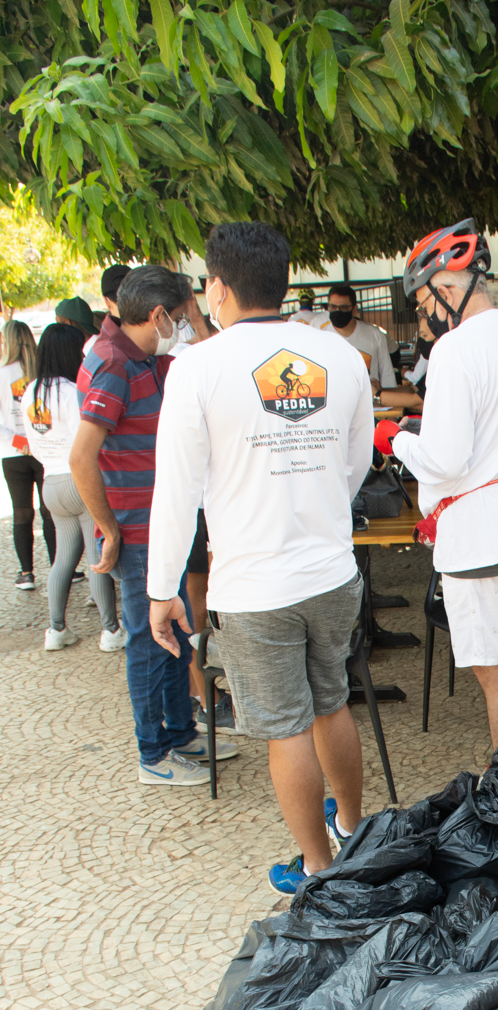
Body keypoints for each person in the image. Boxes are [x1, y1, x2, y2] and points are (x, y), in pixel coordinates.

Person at [147, 221, 374, 892]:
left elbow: (176, 492)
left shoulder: (198, 367)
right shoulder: (338, 355)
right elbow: (354, 463)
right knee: (332, 704)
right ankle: (355, 831)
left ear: (217, 288)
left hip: (253, 584)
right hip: (332, 570)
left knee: (285, 728)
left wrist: (162, 589)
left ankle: (316, 867)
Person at [380, 218, 498, 750]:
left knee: (493, 671)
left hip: (480, 535)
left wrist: (393, 439)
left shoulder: (456, 348)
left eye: (425, 304)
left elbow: (444, 460)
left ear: (448, 288)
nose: (425, 318)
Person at [70, 264, 223, 788]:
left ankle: (181, 733)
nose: (185, 326)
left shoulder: (145, 358)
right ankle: (153, 752)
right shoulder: (115, 363)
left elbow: (208, 352)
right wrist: (107, 527)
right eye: (180, 318)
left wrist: (198, 318)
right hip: (136, 532)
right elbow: (80, 456)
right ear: (158, 315)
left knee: (175, 631)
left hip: (162, 527)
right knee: (148, 640)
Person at [24, 324, 126, 652]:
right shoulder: (70, 391)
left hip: (50, 483)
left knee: (63, 559)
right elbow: (83, 444)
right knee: (97, 554)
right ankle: (111, 630)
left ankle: (56, 629)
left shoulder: (30, 393)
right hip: (77, 481)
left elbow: (32, 441)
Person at [0, 320, 55, 590]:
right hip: (44, 449)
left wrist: (20, 441)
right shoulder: (41, 372)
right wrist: (33, 440)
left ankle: (26, 573)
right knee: (49, 512)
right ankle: (61, 569)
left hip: (13, 454)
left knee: (22, 513)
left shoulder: (1, 373)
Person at [320, 284, 396, 391]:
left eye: (344, 307)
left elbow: (387, 373)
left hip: (369, 403)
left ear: (354, 309)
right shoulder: (320, 338)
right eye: (333, 307)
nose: (338, 311)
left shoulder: (375, 335)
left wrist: (388, 399)